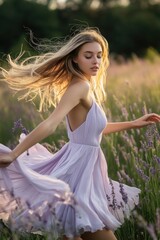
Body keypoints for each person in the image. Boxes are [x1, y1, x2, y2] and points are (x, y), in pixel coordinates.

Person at [0, 27, 160, 240]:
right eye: (88, 56)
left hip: (84, 171)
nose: (96, 61)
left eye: (99, 56)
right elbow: (50, 124)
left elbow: (92, 132)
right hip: (78, 173)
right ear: (75, 59)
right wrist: (14, 154)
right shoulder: (80, 88)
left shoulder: (84, 87)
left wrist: (133, 123)